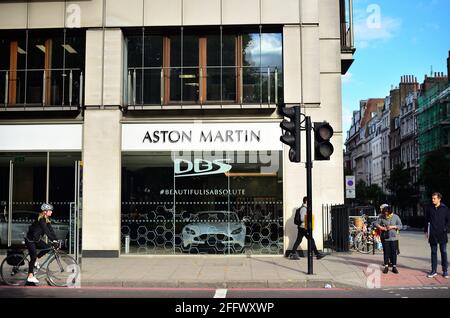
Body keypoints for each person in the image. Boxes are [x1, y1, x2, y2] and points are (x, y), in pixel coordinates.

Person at [24, 203, 59, 284]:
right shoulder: (41, 219)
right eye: (50, 210)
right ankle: (30, 276)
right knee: (33, 257)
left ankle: (36, 259)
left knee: (46, 248)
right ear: (45, 211)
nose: (51, 212)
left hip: (36, 239)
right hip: (30, 240)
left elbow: (51, 230)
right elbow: (46, 231)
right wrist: (52, 240)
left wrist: (56, 239)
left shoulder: (47, 219)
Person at [424, 192, 450, 279]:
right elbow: (426, 220)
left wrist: (445, 229)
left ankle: (445, 271)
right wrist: (426, 231)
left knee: (444, 252)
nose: (433, 200)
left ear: (439, 199)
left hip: (442, 234)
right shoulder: (429, 208)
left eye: (434, 198)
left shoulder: (445, 208)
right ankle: (433, 270)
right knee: (433, 253)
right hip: (433, 234)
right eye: (432, 198)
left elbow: (448, 221)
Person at [374, 205, 403, 274]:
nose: (386, 215)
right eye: (385, 213)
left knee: (393, 253)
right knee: (386, 253)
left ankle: (394, 267)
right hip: (385, 238)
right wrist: (381, 227)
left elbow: (400, 226)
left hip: (394, 238)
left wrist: (393, 226)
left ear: (390, 212)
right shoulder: (381, 216)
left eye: (387, 213)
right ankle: (386, 266)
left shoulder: (395, 217)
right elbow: (375, 223)